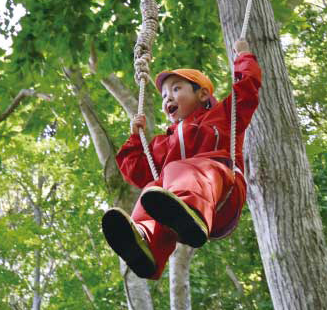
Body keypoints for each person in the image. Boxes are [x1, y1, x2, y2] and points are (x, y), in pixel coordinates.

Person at [102, 39, 262, 279]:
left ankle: (190, 210)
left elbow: (247, 90)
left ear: (203, 94)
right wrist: (135, 139)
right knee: (152, 188)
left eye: (176, 89)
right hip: (182, 205)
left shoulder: (223, 116)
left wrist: (244, 57)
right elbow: (136, 171)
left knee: (182, 170)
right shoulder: (164, 142)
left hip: (221, 191)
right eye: (165, 95)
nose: (168, 98)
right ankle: (146, 244)